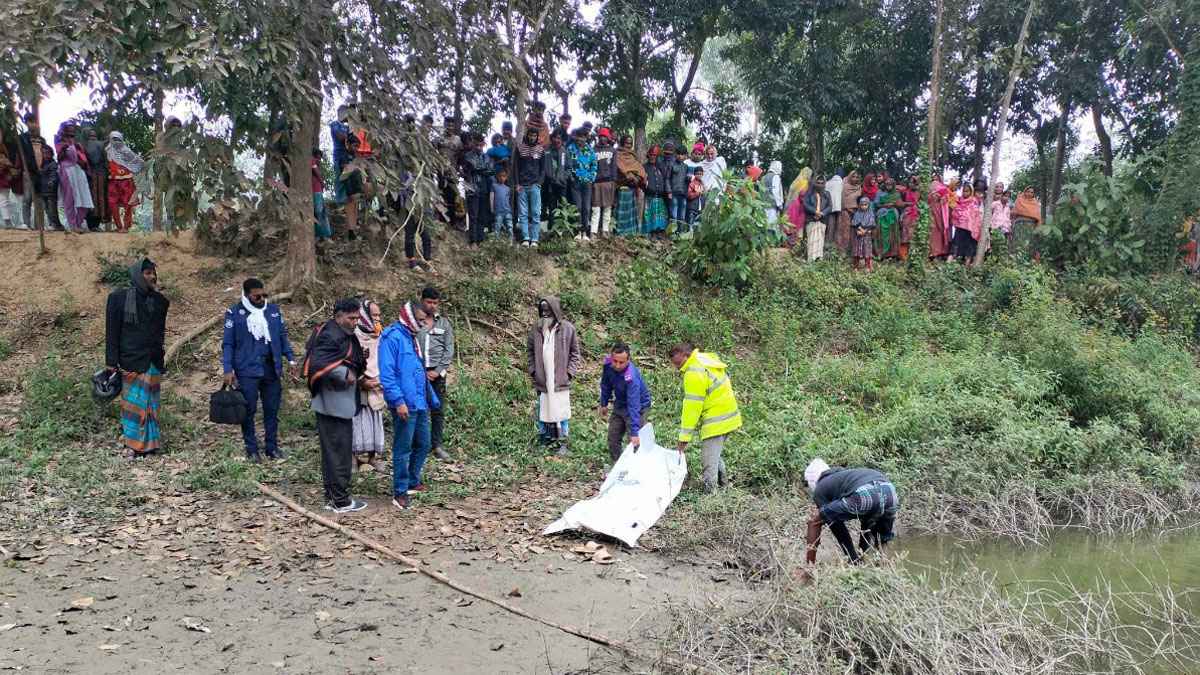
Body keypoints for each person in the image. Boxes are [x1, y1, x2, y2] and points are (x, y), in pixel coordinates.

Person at [303, 299, 368, 513]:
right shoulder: (329, 334)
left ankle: (333, 497)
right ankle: (340, 501)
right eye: (351, 318)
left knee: (334, 451)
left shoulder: (341, 333)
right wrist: (346, 374)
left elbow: (344, 357)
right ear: (338, 316)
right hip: (333, 402)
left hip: (339, 402)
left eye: (357, 318)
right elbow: (319, 362)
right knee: (338, 452)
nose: (355, 322)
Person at [221, 278, 296, 462]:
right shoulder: (235, 313)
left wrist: (291, 359)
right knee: (248, 410)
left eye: (264, 295)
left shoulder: (273, 311)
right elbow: (228, 343)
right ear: (246, 295)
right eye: (256, 296)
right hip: (247, 369)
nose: (261, 299)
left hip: (271, 368)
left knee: (272, 409)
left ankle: (272, 447)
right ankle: (251, 449)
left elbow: (282, 336)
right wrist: (227, 369)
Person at [105, 258, 169, 457]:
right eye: (147, 273)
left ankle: (151, 445)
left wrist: (160, 355)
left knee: (151, 404)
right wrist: (111, 361)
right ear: (136, 275)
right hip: (130, 360)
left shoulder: (160, 301)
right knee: (133, 406)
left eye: (153, 273)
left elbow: (160, 333)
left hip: (152, 361)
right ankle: (133, 445)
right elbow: (112, 332)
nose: (152, 277)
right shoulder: (118, 298)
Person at [378, 301, 440, 510]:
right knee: (403, 448)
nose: (423, 324)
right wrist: (398, 401)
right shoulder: (392, 337)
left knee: (423, 443)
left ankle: (413, 480)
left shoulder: (411, 337)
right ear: (410, 318)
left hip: (419, 401)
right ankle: (400, 491)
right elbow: (387, 374)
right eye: (420, 320)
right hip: (404, 403)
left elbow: (416, 370)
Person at [670, 343, 741, 492]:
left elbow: (692, 407)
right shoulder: (703, 359)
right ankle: (724, 487)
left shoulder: (693, 372)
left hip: (717, 420)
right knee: (715, 455)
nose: (677, 367)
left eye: (678, 363)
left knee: (708, 461)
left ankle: (712, 498)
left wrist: (684, 438)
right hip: (729, 415)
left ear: (686, 355)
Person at [803, 458, 900, 564]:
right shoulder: (846, 476)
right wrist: (861, 555)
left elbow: (838, 529)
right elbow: (866, 526)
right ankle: (884, 569)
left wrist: (852, 558)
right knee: (882, 542)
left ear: (812, 481)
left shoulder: (820, 488)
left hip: (865, 493)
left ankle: (809, 569)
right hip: (890, 492)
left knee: (814, 521)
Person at [527, 297, 580, 456]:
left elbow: (575, 354)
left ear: (555, 311)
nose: (544, 314)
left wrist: (569, 373)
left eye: (548, 311)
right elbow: (530, 352)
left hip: (560, 380)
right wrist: (534, 371)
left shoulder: (568, 329)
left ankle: (562, 443)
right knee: (543, 411)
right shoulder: (536, 330)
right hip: (543, 380)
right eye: (542, 311)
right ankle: (545, 442)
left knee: (561, 412)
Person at [598, 342, 652, 463]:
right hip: (620, 403)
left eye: (621, 362)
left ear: (628, 360)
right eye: (615, 361)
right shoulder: (607, 365)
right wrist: (604, 403)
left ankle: (637, 467)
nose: (617, 365)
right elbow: (605, 384)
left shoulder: (631, 377)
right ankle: (617, 466)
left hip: (639, 406)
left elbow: (634, 405)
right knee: (613, 436)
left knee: (634, 441)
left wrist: (634, 432)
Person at [419, 287, 455, 462]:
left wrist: (437, 371)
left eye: (435, 303)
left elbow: (449, 350)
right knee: (418, 409)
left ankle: (437, 445)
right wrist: (421, 371)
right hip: (417, 373)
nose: (432, 306)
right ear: (422, 301)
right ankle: (420, 445)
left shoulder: (444, 324)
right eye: (428, 302)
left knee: (438, 410)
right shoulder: (415, 322)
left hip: (437, 374)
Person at [352, 299, 387, 473]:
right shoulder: (354, 334)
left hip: (378, 381)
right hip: (359, 383)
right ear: (364, 315)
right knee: (357, 419)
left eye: (379, 315)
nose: (377, 319)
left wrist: (381, 378)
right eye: (374, 315)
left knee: (376, 418)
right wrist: (362, 380)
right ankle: (354, 458)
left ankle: (373, 457)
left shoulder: (381, 335)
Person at [17, 112, 62, 230]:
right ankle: (26, 223)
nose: (33, 125)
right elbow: (20, 154)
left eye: (34, 122)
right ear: (26, 123)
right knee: (27, 198)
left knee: (41, 198)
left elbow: (47, 154)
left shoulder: (42, 140)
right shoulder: (22, 138)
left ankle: (41, 225)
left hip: (41, 172)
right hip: (28, 171)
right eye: (30, 122)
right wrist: (24, 167)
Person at [56, 122, 94, 233]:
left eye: (73, 132)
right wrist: (65, 147)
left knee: (85, 199)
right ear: (64, 131)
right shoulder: (59, 142)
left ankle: (78, 223)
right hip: (67, 171)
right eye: (69, 132)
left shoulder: (77, 144)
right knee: (70, 200)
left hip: (78, 172)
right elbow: (59, 157)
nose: (71, 134)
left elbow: (82, 159)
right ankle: (72, 225)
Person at [515, 126, 547, 246]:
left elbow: (543, 169)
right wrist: (517, 183)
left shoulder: (540, 149)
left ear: (537, 137)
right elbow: (516, 167)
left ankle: (534, 239)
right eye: (530, 135)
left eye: (534, 135)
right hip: (522, 185)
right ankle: (525, 238)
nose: (532, 137)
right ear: (527, 135)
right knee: (522, 213)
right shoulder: (520, 148)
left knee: (535, 212)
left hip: (534, 185)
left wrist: (539, 183)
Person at [464, 132, 494, 246]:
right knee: (473, 215)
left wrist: (482, 170)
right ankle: (473, 241)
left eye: (481, 145)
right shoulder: (468, 156)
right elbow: (474, 167)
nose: (479, 147)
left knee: (482, 215)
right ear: (473, 143)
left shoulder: (486, 156)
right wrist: (483, 170)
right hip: (472, 188)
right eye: (477, 144)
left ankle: (481, 239)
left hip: (484, 188)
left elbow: (491, 171)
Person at [566, 128, 597, 239]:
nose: (580, 139)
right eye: (579, 137)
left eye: (583, 137)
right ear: (575, 137)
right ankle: (578, 232)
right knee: (577, 207)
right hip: (575, 183)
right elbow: (568, 166)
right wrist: (571, 178)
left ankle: (585, 232)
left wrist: (591, 178)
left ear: (586, 138)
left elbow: (594, 165)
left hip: (587, 183)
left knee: (586, 208)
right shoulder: (570, 149)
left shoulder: (590, 150)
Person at [82, 128, 108, 231]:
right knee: (96, 199)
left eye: (94, 137)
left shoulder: (83, 145)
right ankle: (94, 224)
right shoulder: (99, 145)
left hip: (92, 175)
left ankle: (93, 224)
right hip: (96, 175)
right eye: (91, 137)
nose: (93, 139)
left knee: (95, 199)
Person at [591, 128, 616, 235]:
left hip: (608, 182)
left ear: (608, 138)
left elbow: (614, 167)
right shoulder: (593, 150)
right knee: (596, 208)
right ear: (598, 137)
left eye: (604, 136)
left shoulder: (612, 150)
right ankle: (593, 231)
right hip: (596, 182)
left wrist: (614, 181)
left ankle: (605, 230)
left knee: (607, 207)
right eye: (600, 136)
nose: (602, 138)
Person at [951, 184, 982, 265]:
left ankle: (966, 265)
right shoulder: (959, 202)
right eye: (964, 191)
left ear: (971, 192)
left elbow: (975, 216)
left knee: (969, 247)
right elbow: (955, 213)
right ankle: (949, 264)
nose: (965, 193)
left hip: (970, 229)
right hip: (960, 227)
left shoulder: (974, 202)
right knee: (956, 245)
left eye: (967, 191)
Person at [804, 176, 833, 262]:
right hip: (811, 220)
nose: (820, 185)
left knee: (820, 241)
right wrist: (814, 212)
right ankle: (811, 260)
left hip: (822, 220)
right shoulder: (809, 193)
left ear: (824, 184)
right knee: (812, 241)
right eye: (818, 183)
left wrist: (822, 213)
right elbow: (805, 204)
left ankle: (819, 260)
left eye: (822, 183)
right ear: (814, 183)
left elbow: (830, 206)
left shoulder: (827, 194)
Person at [642, 146, 668, 235]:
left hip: (659, 196)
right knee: (649, 214)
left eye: (655, 155)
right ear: (648, 155)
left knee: (659, 215)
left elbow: (664, 179)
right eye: (651, 155)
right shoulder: (644, 167)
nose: (653, 157)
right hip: (649, 195)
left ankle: (659, 230)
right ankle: (649, 231)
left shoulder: (660, 167)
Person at [663, 143, 690, 228]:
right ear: (675, 154)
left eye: (682, 154)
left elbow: (687, 181)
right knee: (673, 213)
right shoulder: (671, 165)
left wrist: (689, 179)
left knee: (682, 213)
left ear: (686, 156)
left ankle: (680, 232)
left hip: (683, 194)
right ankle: (672, 232)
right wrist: (669, 191)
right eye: (678, 154)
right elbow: (667, 178)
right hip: (673, 193)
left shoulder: (686, 166)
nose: (680, 156)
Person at [874, 177, 902, 260]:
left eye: (890, 185)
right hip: (882, 215)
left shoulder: (897, 194)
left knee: (893, 234)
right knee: (883, 234)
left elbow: (900, 204)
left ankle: (893, 254)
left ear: (893, 185)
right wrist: (885, 206)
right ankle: (882, 254)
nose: (888, 186)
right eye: (887, 184)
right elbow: (876, 204)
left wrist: (894, 204)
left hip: (893, 215)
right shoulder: (880, 192)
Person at [836, 170, 862, 254]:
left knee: (853, 232)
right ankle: (842, 252)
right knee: (844, 232)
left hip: (855, 212)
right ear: (849, 177)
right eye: (853, 176)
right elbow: (842, 200)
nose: (855, 178)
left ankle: (852, 252)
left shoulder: (859, 187)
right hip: (845, 211)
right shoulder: (845, 186)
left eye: (857, 177)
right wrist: (848, 209)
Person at [1011, 186, 1042, 258]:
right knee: (1018, 244)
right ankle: (1015, 261)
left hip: (1031, 227)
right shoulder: (1019, 200)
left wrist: (1038, 228)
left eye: (1032, 192)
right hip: (1019, 226)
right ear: (1024, 192)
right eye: (1028, 191)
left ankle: (1027, 262)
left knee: (1029, 245)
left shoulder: (1035, 203)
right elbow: (1014, 212)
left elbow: (1037, 216)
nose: (1029, 193)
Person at [0, 126, 21, 228]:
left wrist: (7, 167)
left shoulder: (3, 147)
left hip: (3, 177)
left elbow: (7, 162)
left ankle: (7, 221)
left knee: (4, 199)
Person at [927, 175, 952, 261]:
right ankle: (932, 253)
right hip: (931, 212)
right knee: (932, 231)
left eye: (937, 179)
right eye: (933, 178)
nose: (935, 180)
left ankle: (940, 252)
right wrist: (932, 195)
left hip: (941, 213)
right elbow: (926, 199)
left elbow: (946, 200)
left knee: (940, 232)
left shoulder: (944, 189)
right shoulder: (928, 188)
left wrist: (941, 197)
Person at [851, 196, 876, 272]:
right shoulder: (857, 214)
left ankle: (867, 266)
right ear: (859, 205)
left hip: (867, 236)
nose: (863, 206)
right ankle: (855, 266)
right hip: (858, 235)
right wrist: (859, 230)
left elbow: (872, 224)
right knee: (857, 251)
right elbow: (854, 224)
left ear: (868, 205)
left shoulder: (870, 214)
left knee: (867, 251)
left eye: (865, 205)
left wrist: (865, 231)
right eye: (862, 205)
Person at [897, 178, 920, 261]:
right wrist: (908, 203)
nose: (912, 184)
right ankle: (904, 256)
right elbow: (899, 203)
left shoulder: (919, 192)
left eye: (914, 183)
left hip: (917, 214)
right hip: (907, 214)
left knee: (914, 234)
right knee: (905, 234)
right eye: (910, 182)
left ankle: (914, 256)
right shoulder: (904, 192)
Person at [826, 170, 844, 248]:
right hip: (839, 206)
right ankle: (837, 243)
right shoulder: (842, 183)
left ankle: (829, 241)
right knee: (838, 225)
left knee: (830, 224)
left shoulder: (828, 182)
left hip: (829, 206)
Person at [991, 183, 1012, 251]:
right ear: (1002, 196)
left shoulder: (1008, 207)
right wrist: (990, 225)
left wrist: (1009, 228)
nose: (1006, 198)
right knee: (993, 244)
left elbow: (1008, 218)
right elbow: (989, 214)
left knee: (1002, 246)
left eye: (1008, 197)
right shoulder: (995, 204)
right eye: (1005, 196)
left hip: (1005, 229)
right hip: (995, 227)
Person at [762, 161, 784, 225]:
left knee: (764, 226)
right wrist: (779, 205)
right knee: (772, 227)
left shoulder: (763, 178)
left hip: (763, 206)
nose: (781, 170)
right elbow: (775, 192)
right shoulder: (776, 177)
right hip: (772, 207)